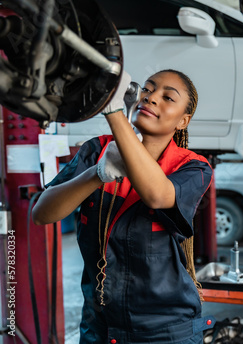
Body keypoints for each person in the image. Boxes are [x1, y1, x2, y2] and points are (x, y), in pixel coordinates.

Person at [32, 69, 215, 343]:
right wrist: (96, 173)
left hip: (164, 331)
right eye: (148, 89)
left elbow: (157, 196)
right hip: (100, 327)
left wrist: (114, 112)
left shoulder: (192, 167)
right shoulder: (98, 150)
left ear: (182, 121)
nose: (151, 98)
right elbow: (42, 213)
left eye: (167, 97)